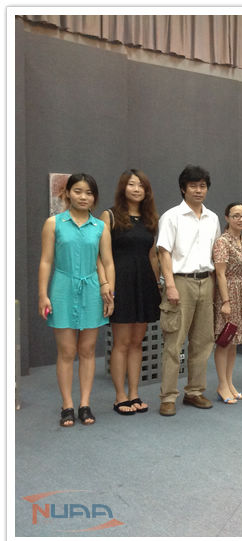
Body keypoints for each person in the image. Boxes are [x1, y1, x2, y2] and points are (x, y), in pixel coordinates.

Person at [38, 173, 114, 426]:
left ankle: (85, 403)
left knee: (88, 350)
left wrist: (110, 293)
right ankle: (67, 404)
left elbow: (107, 262)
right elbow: (46, 261)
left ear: (95, 198)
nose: (83, 197)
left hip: (92, 289)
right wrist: (42, 294)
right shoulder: (54, 223)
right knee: (67, 351)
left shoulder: (100, 227)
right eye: (78, 191)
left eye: (89, 193)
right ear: (67, 193)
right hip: (62, 288)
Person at [157, 165, 221, 416]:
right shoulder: (171, 216)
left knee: (203, 341)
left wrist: (216, 288)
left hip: (206, 281)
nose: (198, 190)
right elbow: (164, 252)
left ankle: (194, 392)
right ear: (183, 188)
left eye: (202, 186)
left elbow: (215, 254)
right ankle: (168, 396)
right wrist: (170, 285)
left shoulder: (212, 218)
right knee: (174, 342)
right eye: (193, 186)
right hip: (180, 282)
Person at [100, 169, 160, 416]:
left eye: (141, 186)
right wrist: (106, 285)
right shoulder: (110, 216)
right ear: (123, 188)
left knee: (137, 343)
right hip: (121, 282)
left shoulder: (150, 218)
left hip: (145, 282)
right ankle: (120, 396)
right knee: (122, 343)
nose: (136, 189)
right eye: (132, 184)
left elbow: (152, 255)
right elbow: (102, 256)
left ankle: (134, 393)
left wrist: (158, 284)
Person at [212, 202, 242, 404]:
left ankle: (229, 382)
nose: (241, 219)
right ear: (227, 218)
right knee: (224, 341)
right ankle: (222, 385)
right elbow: (220, 273)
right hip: (228, 292)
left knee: (234, 341)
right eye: (236, 215)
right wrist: (226, 301)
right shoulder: (222, 242)